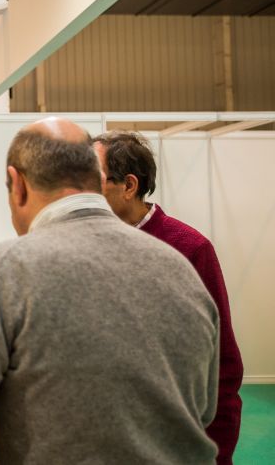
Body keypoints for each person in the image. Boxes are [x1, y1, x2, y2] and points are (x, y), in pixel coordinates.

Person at [0, 117, 219, 464]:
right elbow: (204, 407)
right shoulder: (181, 267)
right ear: (96, 180)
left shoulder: (4, 270)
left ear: (17, 184)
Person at [93, 130, 243, 464]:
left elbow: (222, 362)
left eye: (92, 181)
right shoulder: (85, 246)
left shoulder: (190, 249)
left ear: (129, 186)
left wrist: (218, 454)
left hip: (169, 440)